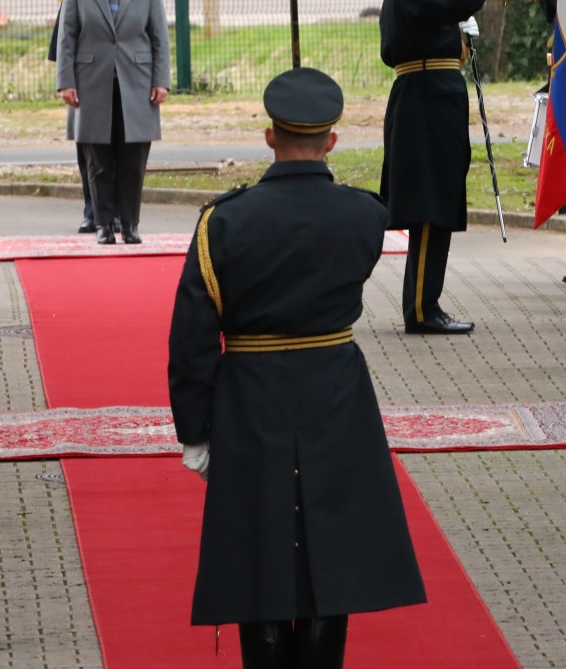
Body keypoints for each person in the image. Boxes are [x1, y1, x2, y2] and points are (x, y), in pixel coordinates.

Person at [168, 67, 426, 669]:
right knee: (331, 558)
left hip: (249, 396)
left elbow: (193, 338)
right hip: (336, 393)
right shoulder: (364, 215)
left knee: (256, 558)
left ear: (269, 137)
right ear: (332, 141)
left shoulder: (223, 221)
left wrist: (194, 432)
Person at [378, 0, 501, 335]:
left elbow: (442, 24)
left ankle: (426, 304)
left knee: (439, 201)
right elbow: (458, 1)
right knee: (430, 206)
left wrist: (459, 36)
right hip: (426, 102)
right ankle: (421, 310)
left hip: (432, 98)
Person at [11, 0, 154, 233]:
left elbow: (146, 0)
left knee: (125, 133)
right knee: (89, 135)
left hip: (125, 52)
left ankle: (120, 212)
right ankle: (94, 210)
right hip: (83, 50)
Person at [55, 0, 168, 245]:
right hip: (92, 81)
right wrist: (66, 81)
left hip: (138, 81)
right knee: (99, 159)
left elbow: (159, 36)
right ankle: (103, 224)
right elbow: (67, 36)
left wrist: (161, 80)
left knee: (134, 160)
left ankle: (130, 225)